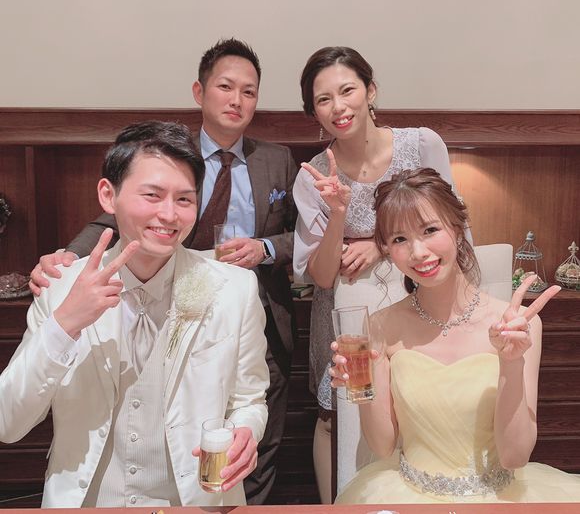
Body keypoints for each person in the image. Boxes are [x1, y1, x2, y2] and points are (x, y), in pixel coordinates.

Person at [28, 39, 297, 505]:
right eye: (225, 87)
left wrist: (266, 247)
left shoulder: (276, 159)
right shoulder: (170, 154)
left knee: (253, 428)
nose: (237, 100)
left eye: (249, 91)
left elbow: (300, 234)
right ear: (199, 92)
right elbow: (115, 218)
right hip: (170, 295)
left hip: (252, 307)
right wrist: (66, 260)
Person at [0, 121, 270, 507]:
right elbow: (8, 422)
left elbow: (249, 398)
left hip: (198, 500)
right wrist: (65, 324)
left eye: (184, 199)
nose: (169, 214)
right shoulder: (61, 287)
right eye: (152, 195)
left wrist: (246, 431)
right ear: (108, 195)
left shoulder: (234, 289)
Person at [331, 167, 580, 503]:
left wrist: (511, 362)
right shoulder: (379, 326)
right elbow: (382, 445)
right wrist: (360, 387)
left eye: (430, 230)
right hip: (409, 497)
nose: (418, 252)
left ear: (458, 230)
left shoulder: (519, 324)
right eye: (400, 239)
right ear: (387, 249)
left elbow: (515, 456)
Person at [292, 46, 463, 502]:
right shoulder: (312, 176)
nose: (338, 107)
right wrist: (337, 212)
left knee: (413, 406)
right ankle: (342, 505)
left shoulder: (421, 145)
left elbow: (452, 225)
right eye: (323, 99)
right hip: (346, 312)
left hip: (416, 299)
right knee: (337, 418)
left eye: (347, 90)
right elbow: (321, 276)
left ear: (370, 91)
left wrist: (381, 243)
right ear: (314, 111)